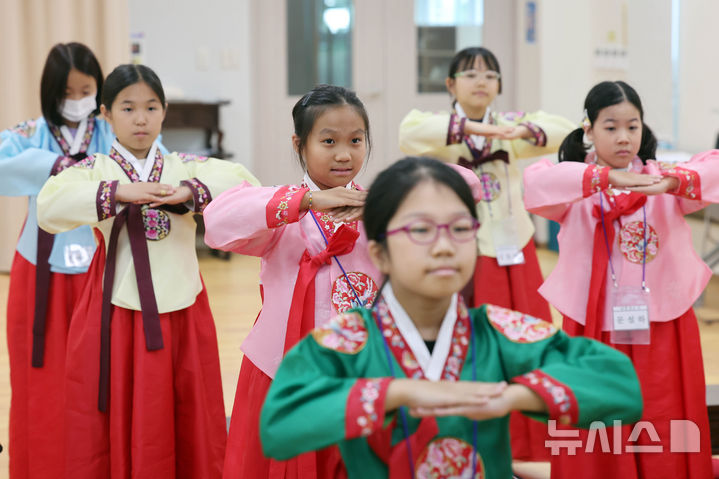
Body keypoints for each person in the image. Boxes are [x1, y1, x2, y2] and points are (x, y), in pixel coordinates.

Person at [260, 156, 643, 479]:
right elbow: (279, 425)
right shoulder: (348, 341)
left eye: (460, 229)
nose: (445, 247)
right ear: (379, 253)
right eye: (421, 230)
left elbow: (619, 386)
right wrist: (400, 392)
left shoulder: (496, 332)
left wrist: (511, 398)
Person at [36, 63, 259, 478]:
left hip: (183, 309)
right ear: (106, 114)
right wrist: (118, 192)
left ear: (164, 111)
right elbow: (48, 207)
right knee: (115, 413)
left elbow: (246, 184)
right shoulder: (93, 169)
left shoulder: (185, 167)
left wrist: (190, 193)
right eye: (127, 108)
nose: (140, 118)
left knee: (189, 407)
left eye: (151, 107)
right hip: (115, 312)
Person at [524, 80, 715, 478]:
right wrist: (606, 180)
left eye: (633, 126)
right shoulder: (576, 186)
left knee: (664, 416)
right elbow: (534, 183)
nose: (624, 137)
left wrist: (672, 181)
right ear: (588, 130)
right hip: (596, 329)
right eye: (610, 127)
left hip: (662, 325)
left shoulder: (663, 181)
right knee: (600, 421)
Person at [399, 45, 575, 461]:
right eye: (471, 74)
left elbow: (565, 131)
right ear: (450, 85)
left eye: (490, 75)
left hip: (515, 250)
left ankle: (530, 445)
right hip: (464, 255)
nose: (482, 82)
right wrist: (483, 133)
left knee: (528, 341)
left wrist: (510, 131)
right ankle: (467, 437)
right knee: (472, 347)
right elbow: (409, 133)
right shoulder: (440, 128)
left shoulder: (512, 126)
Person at [204, 84, 385, 478]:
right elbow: (217, 222)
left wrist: (384, 199)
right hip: (279, 366)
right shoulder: (282, 210)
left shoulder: (378, 209)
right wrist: (305, 202)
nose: (344, 153)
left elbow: (463, 187)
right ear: (299, 144)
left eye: (356, 140)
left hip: (360, 368)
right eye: (328, 140)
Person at [0, 42, 116, 478]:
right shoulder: (30, 133)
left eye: (85, 90)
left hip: (99, 267)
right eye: (67, 92)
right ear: (51, 93)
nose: (77, 100)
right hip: (40, 268)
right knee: (40, 378)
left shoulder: (110, 131)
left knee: (96, 375)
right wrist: (52, 163)